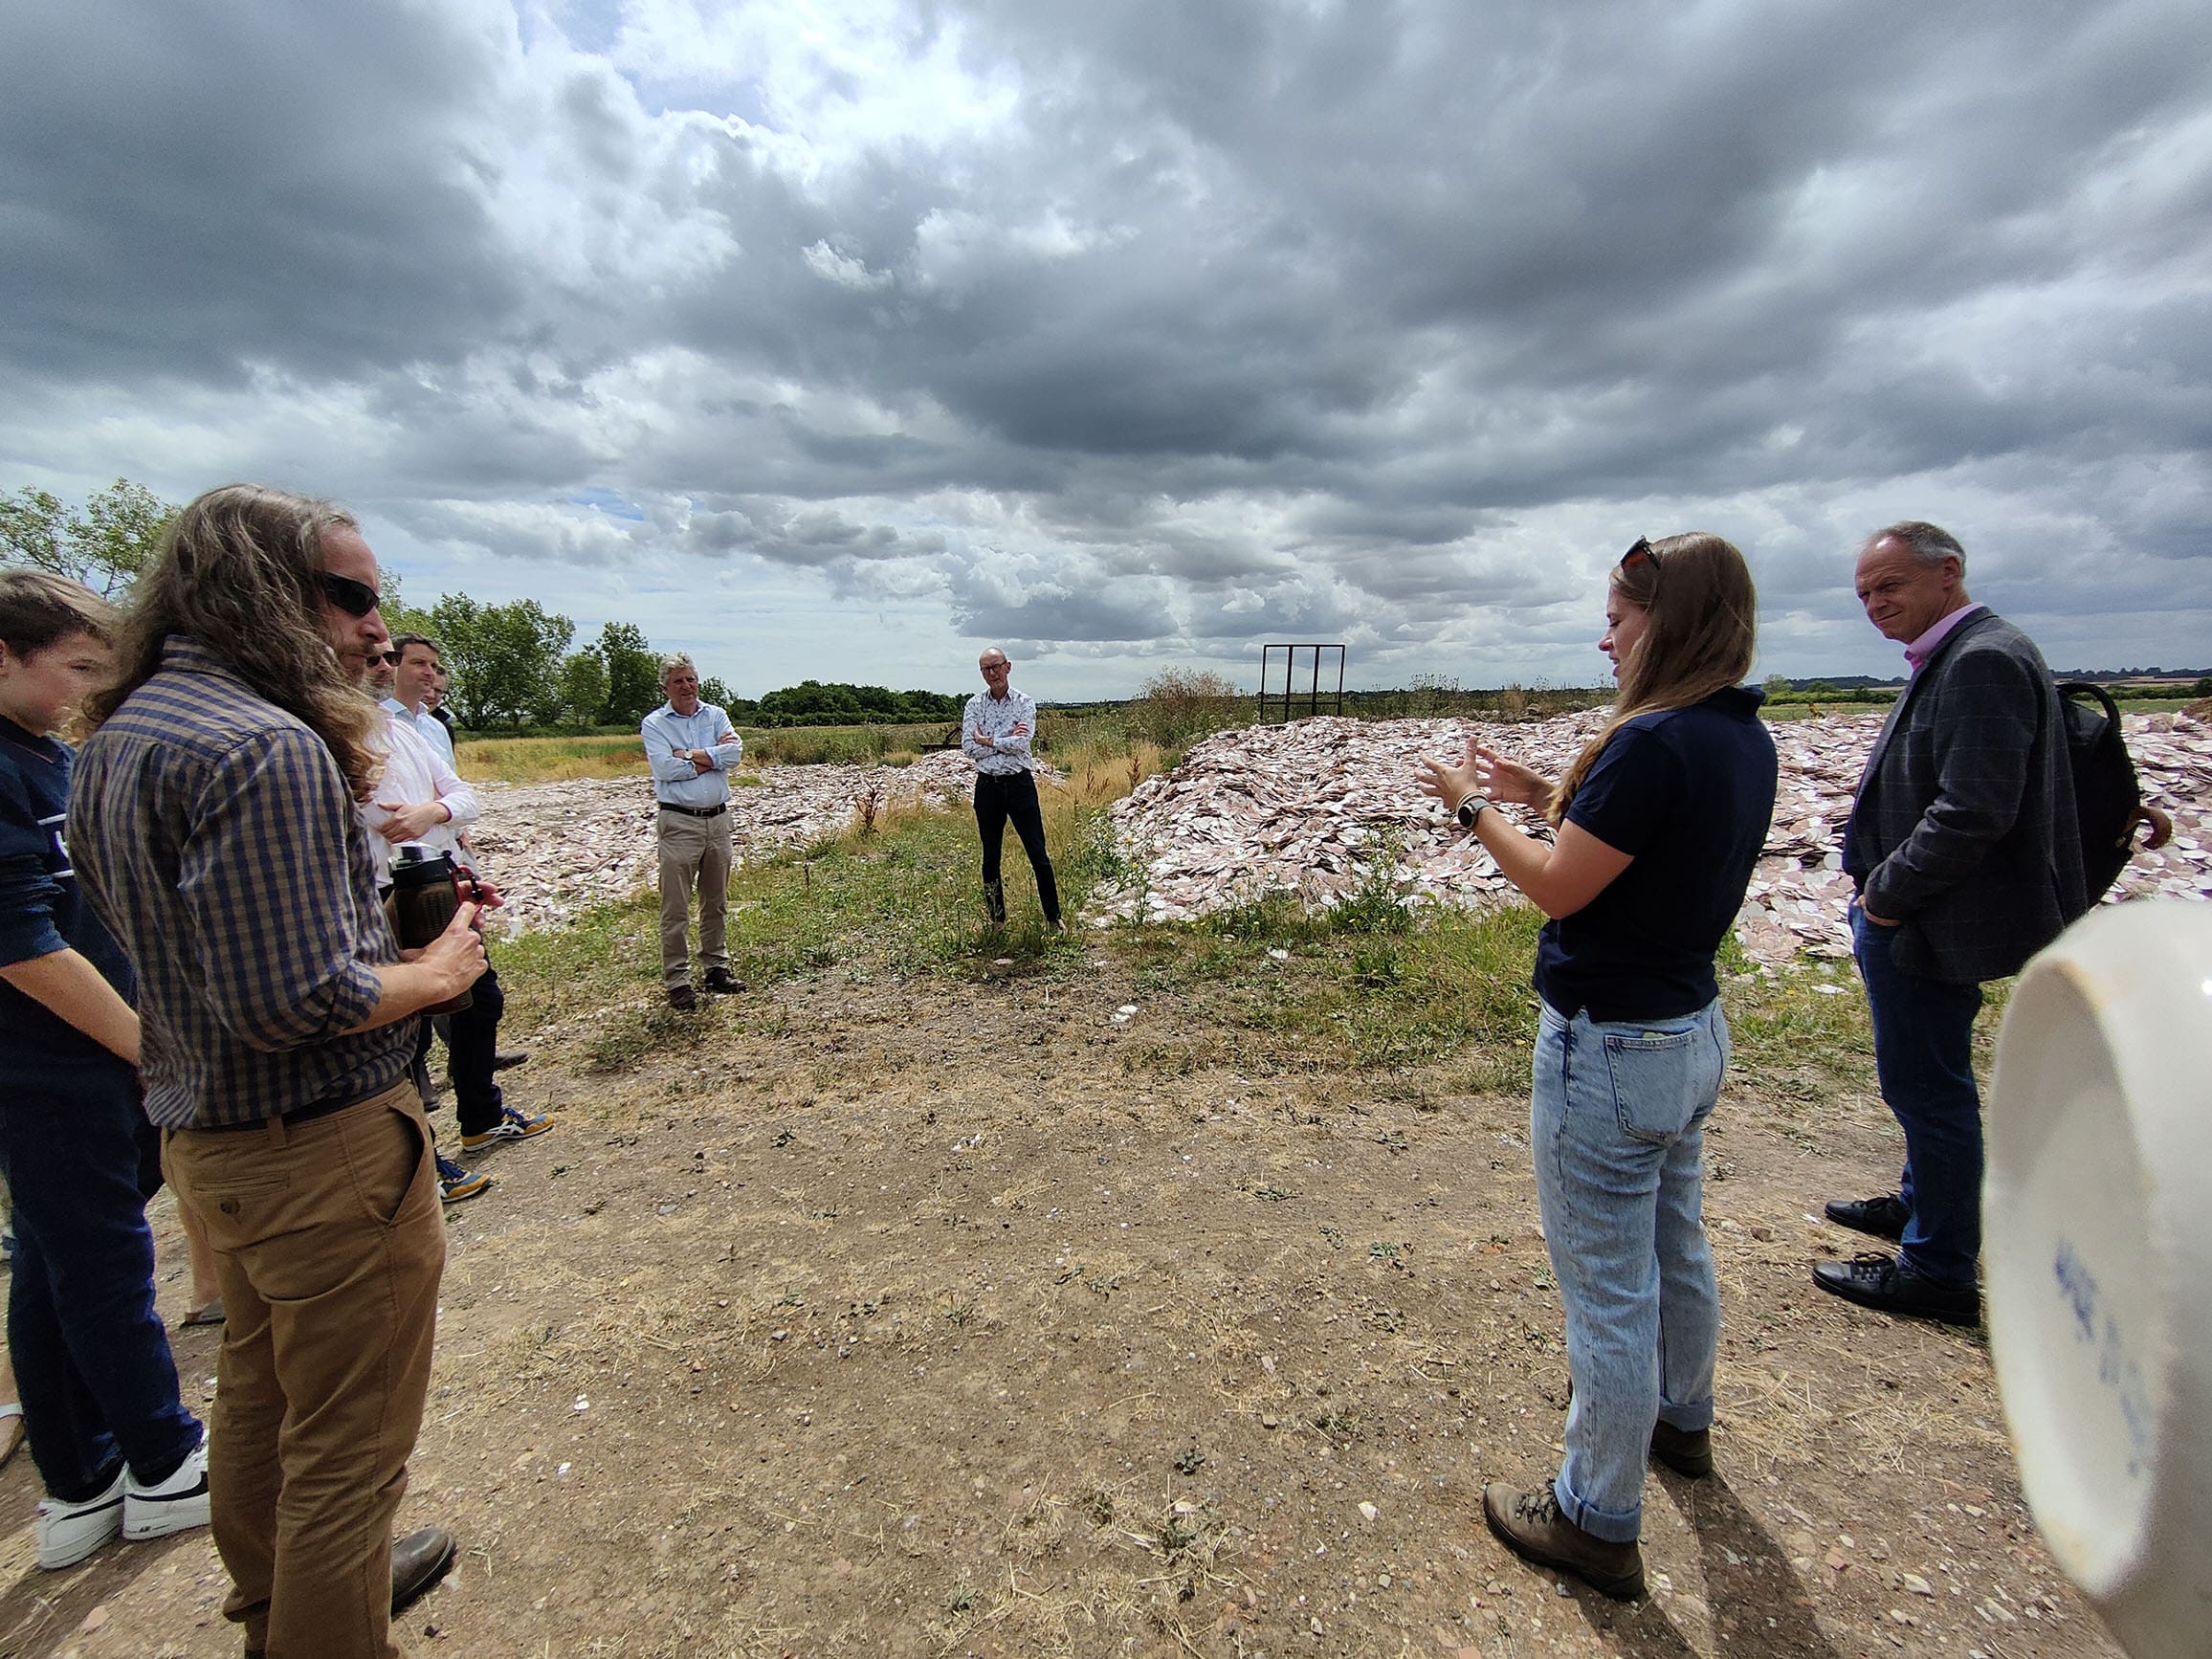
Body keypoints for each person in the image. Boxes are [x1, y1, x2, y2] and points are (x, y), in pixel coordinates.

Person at [69, 485, 480, 1659]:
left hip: (208, 1139)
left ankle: (274, 1606)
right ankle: (325, 1619)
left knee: (257, 1392)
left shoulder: (120, 734)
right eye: (350, 597)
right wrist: (432, 973)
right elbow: (295, 1002)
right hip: (325, 1148)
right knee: (348, 1455)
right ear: (256, 586)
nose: (371, 628)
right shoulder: (268, 744)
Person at [1417, 533, 1778, 1600]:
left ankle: (1592, 1516)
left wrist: (1471, 805)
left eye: (1617, 618)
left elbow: (1562, 890)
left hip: (1608, 1043)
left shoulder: (1650, 740)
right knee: (1676, 1239)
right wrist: (1546, 797)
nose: (1604, 635)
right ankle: (1681, 1422)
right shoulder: (1734, 733)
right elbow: (1633, 856)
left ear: (1666, 619)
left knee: (1606, 1292)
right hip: (1686, 1029)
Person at [1816, 521, 2087, 1325]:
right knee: (1926, 1083)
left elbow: (1973, 809)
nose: (1875, 604)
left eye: (1889, 586)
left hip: (1928, 921)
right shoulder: (1969, 653)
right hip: (1920, 915)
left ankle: (1936, 1266)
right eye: (1865, 593)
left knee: (1928, 1088)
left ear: (1949, 573)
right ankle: (1920, 1203)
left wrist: (1888, 895)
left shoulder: (1983, 661)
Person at [0, 571, 211, 1571]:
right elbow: (23, 946)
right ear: (4, 654)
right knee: (107, 1268)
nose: (92, 690)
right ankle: (166, 1462)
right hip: (49, 1070)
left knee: (50, 1270)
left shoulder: (44, 755)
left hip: (79, 1063)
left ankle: (79, 1480)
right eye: (79, 668)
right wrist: (146, 1044)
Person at [364, 647, 548, 1198]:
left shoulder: (404, 733)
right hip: (382, 889)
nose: (382, 663)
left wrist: (433, 813)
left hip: (440, 881)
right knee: (405, 1027)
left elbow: (465, 798)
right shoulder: (333, 735)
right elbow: (381, 817)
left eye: (386, 655)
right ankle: (417, 1164)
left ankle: (480, 1118)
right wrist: (432, 814)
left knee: (477, 999)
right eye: (379, 657)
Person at [642, 653, 745, 1010]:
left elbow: (735, 755)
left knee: (715, 901)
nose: (686, 686)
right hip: (679, 821)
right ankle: (678, 980)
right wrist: (708, 760)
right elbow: (665, 768)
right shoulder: (655, 724)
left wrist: (691, 754)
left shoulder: (715, 714)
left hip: (718, 821)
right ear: (665, 687)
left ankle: (716, 967)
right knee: (676, 906)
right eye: (678, 681)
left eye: (690, 679)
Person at [962, 648, 1060, 928]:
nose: (991, 674)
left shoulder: (1024, 702)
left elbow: (1022, 743)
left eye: (995, 666)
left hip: (1019, 785)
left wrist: (988, 741)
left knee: (1037, 853)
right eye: (985, 669)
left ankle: (1054, 918)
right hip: (987, 787)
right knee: (990, 857)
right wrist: (1003, 739)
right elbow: (968, 747)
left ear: (1008, 667)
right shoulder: (974, 705)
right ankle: (997, 921)